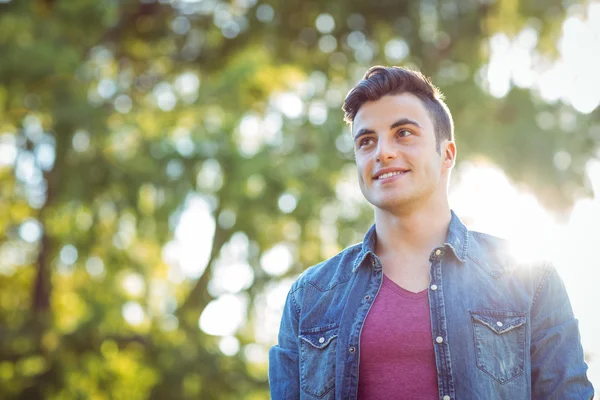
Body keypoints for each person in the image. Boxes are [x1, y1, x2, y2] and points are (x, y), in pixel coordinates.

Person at [268, 66, 594, 399]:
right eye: (366, 141)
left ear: (447, 154)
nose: (382, 152)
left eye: (404, 133)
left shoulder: (530, 279)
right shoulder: (309, 296)